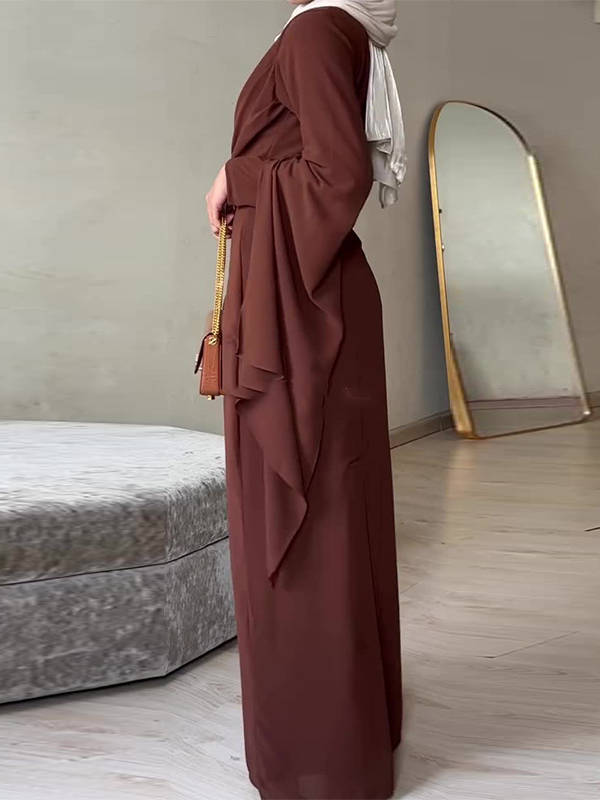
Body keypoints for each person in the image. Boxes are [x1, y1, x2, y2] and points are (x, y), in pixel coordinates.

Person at [205, 2, 406, 798]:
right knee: (331, 518)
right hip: (301, 300)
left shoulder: (319, 28)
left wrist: (240, 176)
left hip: (301, 313)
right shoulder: (335, 26)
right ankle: (347, 733)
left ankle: (320, 761)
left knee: (311, 527)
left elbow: (337, 175)